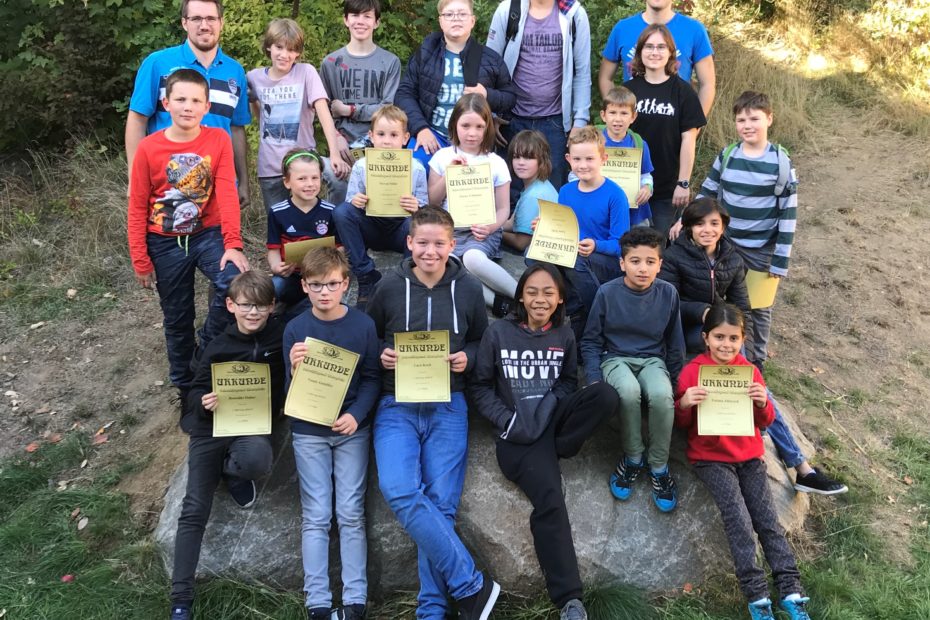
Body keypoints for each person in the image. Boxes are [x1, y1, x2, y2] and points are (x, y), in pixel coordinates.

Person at [659, 198, 847, 495]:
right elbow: (667, 301)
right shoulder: (674, 256)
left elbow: (742, 306)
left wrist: (736, 333)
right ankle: (796, 464)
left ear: (723, 227)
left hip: (722, 330)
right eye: (699, 224)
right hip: (687, 329)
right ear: (689, 227)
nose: (707, 230)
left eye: (714, 223)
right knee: (724, 371)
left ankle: (802, 469)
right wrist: (702, 312)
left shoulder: (732, 258)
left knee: (755, 387)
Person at [365, 207, 500, 620]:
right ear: (409, 243)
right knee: (400, 489)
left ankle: (431, 610)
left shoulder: (468, 288)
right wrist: (382, 354)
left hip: (448, 403)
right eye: (422, 242)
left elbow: (480, 341)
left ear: (452, 244)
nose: (430, 251)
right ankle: (470, 585)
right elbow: (369, 338)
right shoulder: (389, 287)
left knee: (441, 505)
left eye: (439, 243)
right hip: (396, 404)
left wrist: (467, 358)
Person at [469, 263, 619, 620]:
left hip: (551, 422)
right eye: (532, 292)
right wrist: (508, 421)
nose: (540, 299)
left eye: (548, 293)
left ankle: (561, 447)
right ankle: (570, 599)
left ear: (560, 298)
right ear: (521, 296)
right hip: (519, 437)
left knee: (605, 396)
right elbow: (480, 387)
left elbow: (567, 381)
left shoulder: (563, 334)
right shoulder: (499, 333)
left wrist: (550, 405)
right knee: (550, 499)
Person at [675, 304, 814, 620]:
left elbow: (764, 421)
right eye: (719, 337)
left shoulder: (749, 372)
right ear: (705, 338)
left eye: (733, 338)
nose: (726, 345)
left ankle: (791, 592)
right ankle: (758, 598)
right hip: (711, 460)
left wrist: (762, 402)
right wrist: (683, 403)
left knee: (768, 522)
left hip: (750, 458)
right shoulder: (693, 371)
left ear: (743, 339)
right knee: (738, 521)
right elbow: (681, 423)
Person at [127, 69, 249, 404]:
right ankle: (185, 386)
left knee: (234, 282)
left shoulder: (218, 139)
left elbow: (227, 193)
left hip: (207, 234)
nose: (188, 106)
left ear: (207, 106)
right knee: (177, 316)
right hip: (164, 241)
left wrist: (233, 243)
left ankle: (204, 349)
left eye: (196, 100)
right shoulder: (149, 148)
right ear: (166, 103)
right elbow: (137, 206)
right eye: (180, 99)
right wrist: (140, 259)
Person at [170, 271, 284, 620]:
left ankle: (232, 472)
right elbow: (193, 392)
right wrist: (203, 403)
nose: (253, 313)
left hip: (250, 426)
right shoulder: (217, 345)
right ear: (231, 305)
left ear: (272, 306)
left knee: (257, 460)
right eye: (246, 305)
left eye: (261, 306)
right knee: (194, 508)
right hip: (211, 429)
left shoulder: (281, 337)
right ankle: (180, 599)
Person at [284, 247, 381, 620]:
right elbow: (290, 392)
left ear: (346, 284)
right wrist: (293, 369)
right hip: (309, 431)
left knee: (351, 512)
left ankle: (355, 600)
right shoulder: (295, 329)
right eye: (316, 285)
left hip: (351, 430)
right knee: (316, 515)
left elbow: (372, 378)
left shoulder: (363, 325)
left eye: (331, 284)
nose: (324, 292)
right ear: (304, 286)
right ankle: (318, 603)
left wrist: (357, 415)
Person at [580, 227, 684, 512]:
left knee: (661, 395)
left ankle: (659, 465)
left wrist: (676, 381)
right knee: (628, 391)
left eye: (650, 262)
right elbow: (591, 340)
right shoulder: (607, 292)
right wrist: (593, 378)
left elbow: (675, 342)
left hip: (652, 360)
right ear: (622, 263)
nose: (643, 268)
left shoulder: (668, 293)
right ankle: (633, 457)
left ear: (660, 264)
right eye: (635, 261)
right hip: (615, 358)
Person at [693, 90, 797, 372]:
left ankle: (754, 360)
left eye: (754, 119)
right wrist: (689, 221)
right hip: (725, 245)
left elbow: (789, 213)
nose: (747, 125)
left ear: (769, 119)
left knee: (758, 308)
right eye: (741, 120)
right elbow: (708, 191)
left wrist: (780, 259)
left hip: (762, 249)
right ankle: (719, 356)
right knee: (721, 301)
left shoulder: (781, 162)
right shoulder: (727, 155)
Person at [126, 0, 251, 209]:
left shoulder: (235, 71)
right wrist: (135, 178)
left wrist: (244, 182)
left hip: (220, 188)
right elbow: (137, 120)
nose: (204, 25)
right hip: (167, 188)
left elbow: (237, 128)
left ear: (221, 22)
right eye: (196, 19)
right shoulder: (158, 63)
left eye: (211, 18)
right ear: (184, 23)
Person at [394, 0, 516, 170]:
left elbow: (510, 97)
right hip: (432, 134)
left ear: (472, 20)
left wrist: (487, 94)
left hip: (473, 140)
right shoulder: (425, 54)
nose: (456, 19)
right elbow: (404, 93)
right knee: (415, 170)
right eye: (449, 14)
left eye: (462, 14)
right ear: (440, 21)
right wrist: (421, 129)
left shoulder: (490, 59)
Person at [486, 0, 591, 188]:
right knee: (509, 190)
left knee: (552, 192)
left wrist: (580, 122)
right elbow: (490, 66)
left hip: (555, 122)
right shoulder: (509, 10)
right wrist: (491, 114)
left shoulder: (574, 13)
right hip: (510, 120)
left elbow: (582, 71)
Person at [428, 93, 517, 315]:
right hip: (449, 233)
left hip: (482, 233)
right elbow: (433, 202)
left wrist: (491, 227)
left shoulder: (495, 162)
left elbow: (503, 209)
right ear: (454, 125)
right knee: (447, 267)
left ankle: (522, 295)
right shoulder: (442, 157)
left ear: (487, 128)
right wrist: (449, 174)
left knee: (472, 259)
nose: (472, 133)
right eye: (465, 125)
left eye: (479, 127)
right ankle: (498, 303)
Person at [247, 18, 351, 209]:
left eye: (291, 50)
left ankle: (330, 219)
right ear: (269, 46)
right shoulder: (254, 77)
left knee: (338, 179)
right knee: (279, 220)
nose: (284, 55)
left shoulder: (306, 72)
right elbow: (261, 118)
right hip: (271, 165)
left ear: (298, 53)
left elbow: (324, 113)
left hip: (305, 158)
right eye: (279, 47)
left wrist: (334, 153)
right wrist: (253, 101)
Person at [333, 105, 428, 310]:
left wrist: (417, 207)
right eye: (381, 134)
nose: (386, 141)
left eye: (394, 135)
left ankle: (406, 277)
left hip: (401, 229)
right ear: (371, 136)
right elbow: (350, 202)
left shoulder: (416, 168)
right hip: (372, 226)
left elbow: (425, 211)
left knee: (417, 223)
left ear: (405, 138)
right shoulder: (361, 166)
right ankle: (366, 275)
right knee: (341, 212)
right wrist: (356, 201)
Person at [622, 24, 706, 238]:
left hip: (666, 189)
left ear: (671, 52)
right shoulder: (627, 91)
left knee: (658, 247)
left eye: (661, 47)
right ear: (640, 51)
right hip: (630, 187)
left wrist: (683, 183)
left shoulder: (683, 92)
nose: (655, 52)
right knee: (627, 245)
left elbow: (689, 140)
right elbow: (615, 135)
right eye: (649, 46)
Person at [553, 126, 630, 340]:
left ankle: (595, 314)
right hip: (573, 255)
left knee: (576, 260)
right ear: (568, 159)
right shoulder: (565, 192)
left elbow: (622, 244)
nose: (583, 165)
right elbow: (561, 230)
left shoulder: (615, 195)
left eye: (589, 159)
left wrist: (596, 245)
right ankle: (573, 307)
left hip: (605, 260)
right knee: (532, 256)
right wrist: (545, 227)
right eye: (577, 159)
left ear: (603, 159)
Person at [599, 0, 715, 117]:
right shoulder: (623, 28)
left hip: (676, 123)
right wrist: (616, 116)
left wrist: (694, 124)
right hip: (631, 124)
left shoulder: (694, 30)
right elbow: (605, 78)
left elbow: (707, 84)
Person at [319, 0, 402, 153]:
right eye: (355, 15)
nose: (360, 21)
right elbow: (322, 110)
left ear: (376, 22)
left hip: (380, 145)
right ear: (346, 20)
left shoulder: (390, 62)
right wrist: (336, 138)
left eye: (367, 16)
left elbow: (387, 108)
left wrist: (350, 110)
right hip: (342, 146)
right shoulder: (330, 63)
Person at [265, 149, 338, 310]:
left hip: (322, 276)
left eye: (315, 178)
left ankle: (303, 310)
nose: (310, 184)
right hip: (291, 275)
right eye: (302, 179)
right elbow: (273, 249)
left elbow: (340, 248)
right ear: (287, 182)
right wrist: (276, 267)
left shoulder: (331, 211)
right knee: (272, 288)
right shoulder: (277, 212)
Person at [599, 86, 655, 227]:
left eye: (624, 113)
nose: (618, 119)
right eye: (612, 112)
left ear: (633, 117)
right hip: (603, 213)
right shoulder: (594, 142)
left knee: (639, 240)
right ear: (603, 115)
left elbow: (646, 175)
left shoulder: (639, 144)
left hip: (634, 215)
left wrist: (647, 188)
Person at [502, 129, 558, 252]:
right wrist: (487, 225)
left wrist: (493, 233)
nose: (521, 163)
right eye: (516, 157)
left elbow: (521, 243)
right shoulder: (538, 185)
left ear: (541, 160)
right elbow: (511, 224)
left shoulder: (534, 194)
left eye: (528, 158)